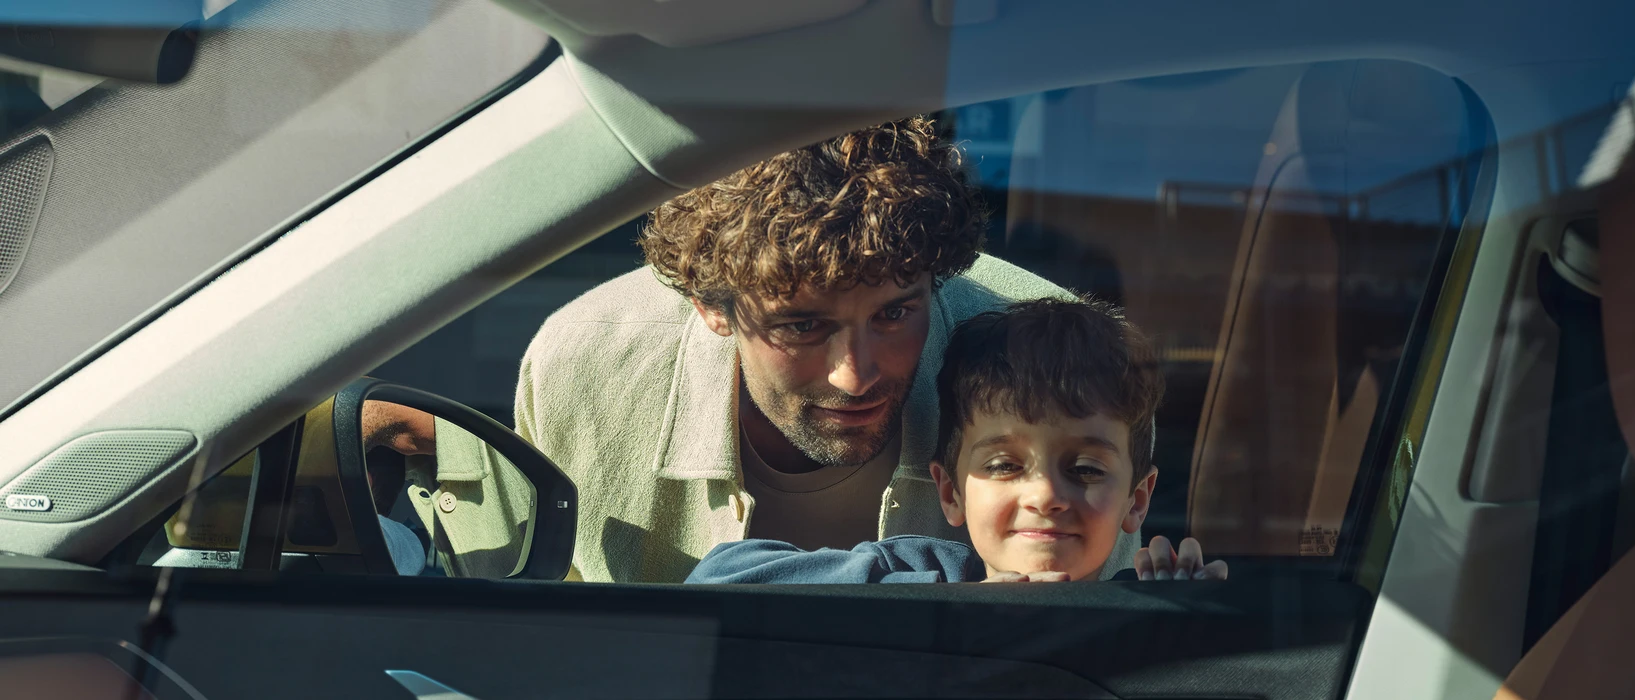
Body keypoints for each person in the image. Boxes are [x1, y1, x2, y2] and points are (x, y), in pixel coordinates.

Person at [364, 117, 1140, 583]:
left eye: (895, 313)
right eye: (801, 326)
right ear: (709, 307)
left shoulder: (1041, 356)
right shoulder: (587, 363)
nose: (856, 371)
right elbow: (528, 627)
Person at [685, 299, 1226, 583]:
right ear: (949, 493)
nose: (1044, 495)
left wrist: (1185, 619)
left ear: (1138, 500)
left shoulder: (1138, 605)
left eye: (1084, 469)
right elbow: (721, 577)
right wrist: (950, 606)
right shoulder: (927, 574)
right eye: (1004, 465)